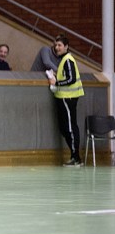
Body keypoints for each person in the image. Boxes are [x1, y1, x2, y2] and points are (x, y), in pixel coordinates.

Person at [48, 35, 84, 167]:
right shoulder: (63, 60)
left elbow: (71, 79)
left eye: (59, 45)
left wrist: (57, 82)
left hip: (68, 97)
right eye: (56, 45)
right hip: (63, 97)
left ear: (66, 47)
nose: (57, 47)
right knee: (65, 128)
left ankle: (76, 158)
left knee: (70, 127)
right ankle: (74, 156)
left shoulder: (68, 60)